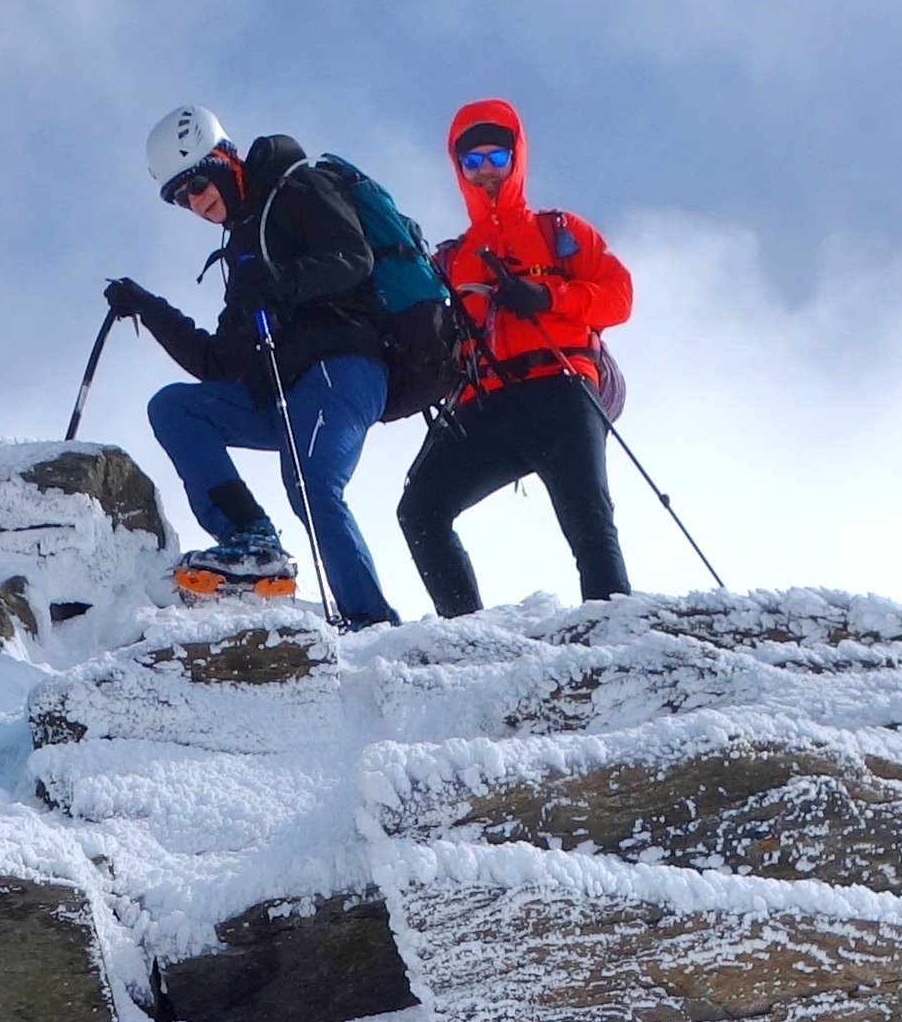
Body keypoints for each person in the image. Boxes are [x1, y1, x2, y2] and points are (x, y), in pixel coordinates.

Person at [108, 106, 403, 629]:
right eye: (181, 197)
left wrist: (282, 281)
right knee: (177, 408)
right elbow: (218, 363)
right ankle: (251, 540)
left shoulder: (297, 187)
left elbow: (353, 257)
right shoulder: (245, 250)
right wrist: (148, 308)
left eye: (197, 184)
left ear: (224, 160)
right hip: (284, 392)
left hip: (343, 366)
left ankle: (371, 621)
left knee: (310, 484)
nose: (195, 202)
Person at [394, 97, 634, 616]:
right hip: (488, 403)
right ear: (458, 169)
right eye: (472, 161)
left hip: (561, 387)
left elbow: (619, 297)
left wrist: (547, 297)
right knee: (420, 509)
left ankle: (618, 631)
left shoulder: (560, 232)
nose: (485, 171)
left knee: (589, 521)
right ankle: (467, 631)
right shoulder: (450, 259)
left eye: (496, 158)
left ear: (516, 158)